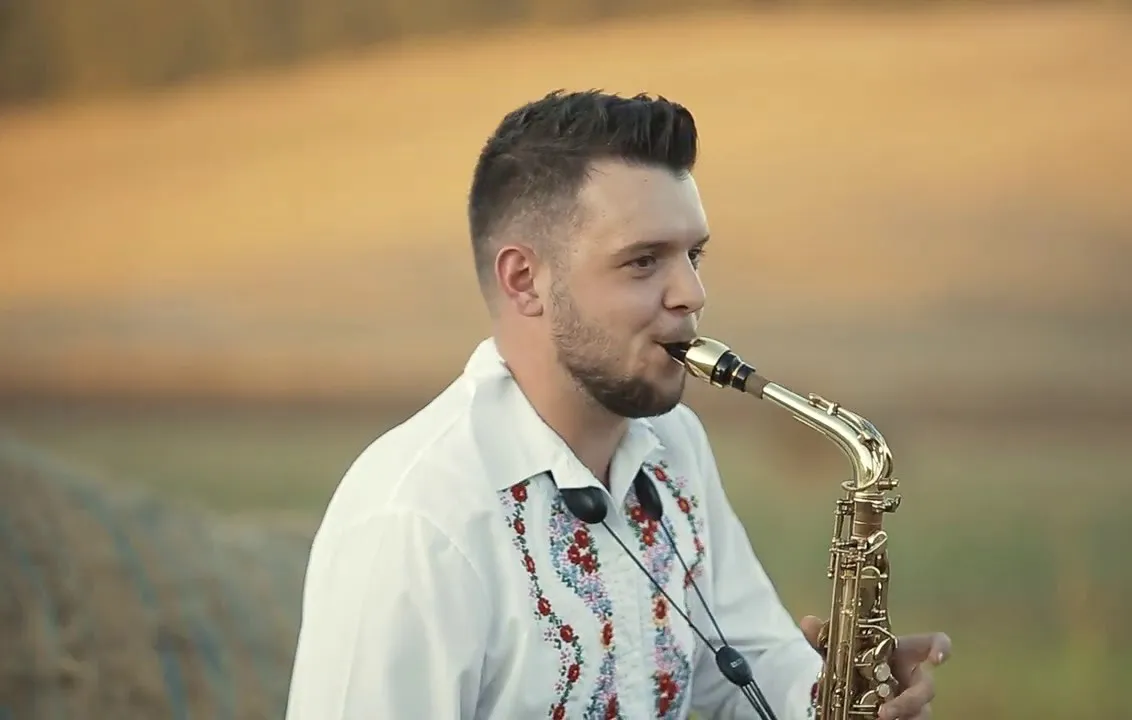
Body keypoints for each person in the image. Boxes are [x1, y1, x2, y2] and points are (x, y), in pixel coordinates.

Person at [283, 90, 950, 720]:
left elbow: (749, 663)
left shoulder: (676, 446)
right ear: (525, 280)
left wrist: (843, 693)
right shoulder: (417, 519)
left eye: (693, 255)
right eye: (643, 261)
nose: (692, 293)